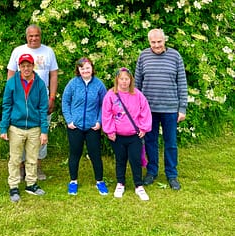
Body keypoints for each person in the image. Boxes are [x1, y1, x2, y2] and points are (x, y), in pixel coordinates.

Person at [135, 28, 188, 190]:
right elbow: (137, 84)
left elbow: (182, 83)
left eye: (159, 41)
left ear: (164, 40)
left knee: (170, 143)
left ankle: (172, 175)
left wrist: (182, 108)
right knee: (150, 142)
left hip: (171, 109)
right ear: (149, 41)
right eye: (153, 42)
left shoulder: (175, 56)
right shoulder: (143, 56)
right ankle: (152, 172)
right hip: (148, 110)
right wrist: (137, 109)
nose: (156, 45)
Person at [7, 24, 58, 180]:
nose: (34, 38)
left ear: (40, 36)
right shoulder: (18, 51)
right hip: (21, 101)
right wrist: (13, 98)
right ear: (26, 36)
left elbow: (54, 75)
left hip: (42, 100)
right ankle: (22, 167)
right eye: (31, 36)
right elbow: (11, 75)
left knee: (41, 133)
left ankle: (37, 166)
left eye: (36, 35)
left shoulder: (48, 51)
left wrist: (52, 98)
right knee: (21, 133)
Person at [0, 53, 48, 202]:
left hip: (34, 128)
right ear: (19, 67)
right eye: (23, 66)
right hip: (16, 127)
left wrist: (44, 131)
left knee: (32, 158)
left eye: (29, 65)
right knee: (15, 159)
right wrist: (3, 128)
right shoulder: (12, 83)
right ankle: (13, 187)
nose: (26, 68)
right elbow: (7, 106)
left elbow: (43, 108)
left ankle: (31, 184)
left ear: (33, 66)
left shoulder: (40, 84)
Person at [102, 67, 152, 201]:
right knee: (120, 160)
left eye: (127, 79)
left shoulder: (137, 94)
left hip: (134, 135)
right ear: (117, 80)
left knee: (135, 160)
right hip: (118, 136)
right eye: (121, 79)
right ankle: (120, 183)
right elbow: (107, 114)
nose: (124, 82)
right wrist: (109, 130)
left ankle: (138, 185)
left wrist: (143, 128)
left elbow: (145, 111)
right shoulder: (111, 95)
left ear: (131, 80)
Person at [62, 57, 108, 196]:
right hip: (75, 126)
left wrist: (99, 121)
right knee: (75, 154)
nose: (85, 70)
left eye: (87, 67)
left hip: (92, 127)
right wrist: (69, 120)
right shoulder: (72, 84)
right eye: (82, 68)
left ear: (92, 69)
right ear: (78, 70)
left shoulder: (99, 85)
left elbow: (104, 105)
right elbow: (65, 102)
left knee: (95, 154)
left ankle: (99, 181)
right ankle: (73, 181)